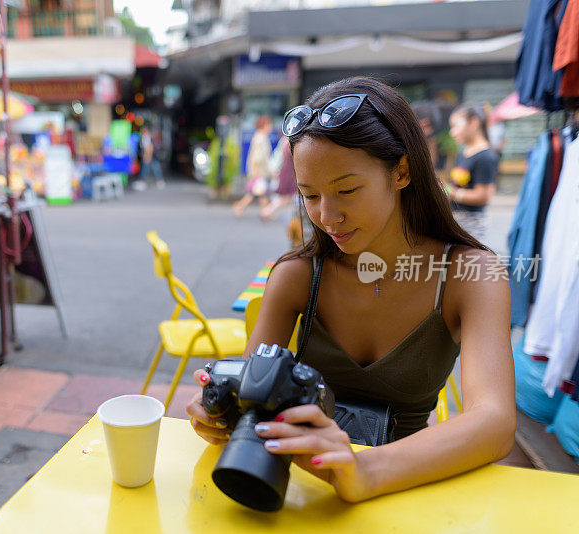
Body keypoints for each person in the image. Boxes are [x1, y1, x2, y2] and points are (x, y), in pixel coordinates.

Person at [186, 77, 515, 503]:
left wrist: (365, 470)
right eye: (309, 195)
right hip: (295, 489)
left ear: (401, 171)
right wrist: (219, 412)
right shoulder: (297, 275)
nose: (328, 215)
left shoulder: (471, 274)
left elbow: (495, 422)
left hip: (407, 482)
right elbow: (251, 390)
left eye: (347, 190)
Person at [445, 104, 499, 243]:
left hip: (471, 225)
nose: (453, 132)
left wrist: (450, 192)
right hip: (457, 221)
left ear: (474, 123)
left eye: (456, 126)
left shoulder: (486, 157)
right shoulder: (463, 152)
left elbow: (483, 196)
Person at [233, 115, 273, 217]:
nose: (271, 127)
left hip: (259, 170)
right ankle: (266, 212)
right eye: (269, 125)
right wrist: (257, 172)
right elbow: (257, 158)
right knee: (259, 191)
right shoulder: (260, 138)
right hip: (259, 171)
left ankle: (265, 211)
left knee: (257, 192)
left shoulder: (260, 137)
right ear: (264, 126)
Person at [137, 125, 166, 190]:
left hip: (150, 156)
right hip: (149, 156)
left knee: (151, 168)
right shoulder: (146, 137)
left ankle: (158, 181)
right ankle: (159, 181)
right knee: (150, 168)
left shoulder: (146, 137)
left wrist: (147, 156)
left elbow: (149, 148)